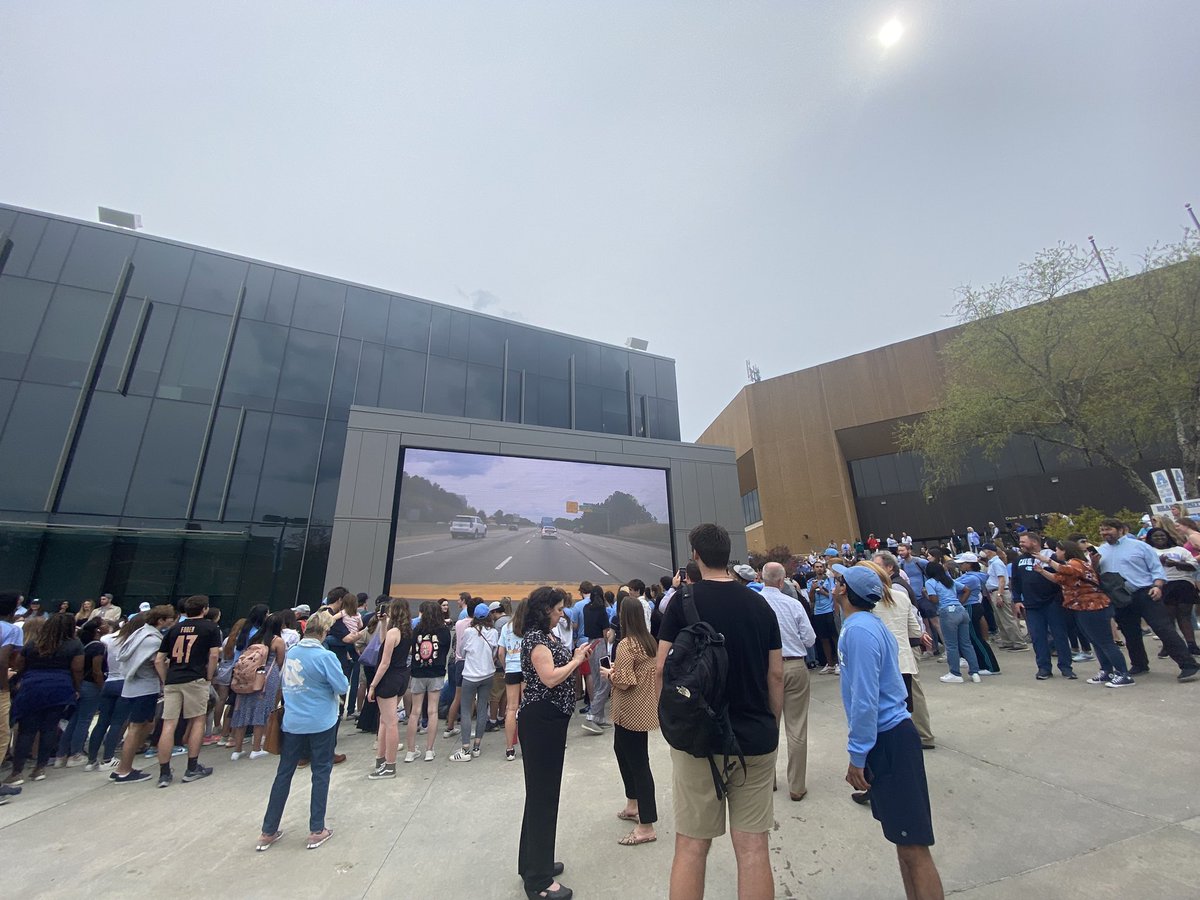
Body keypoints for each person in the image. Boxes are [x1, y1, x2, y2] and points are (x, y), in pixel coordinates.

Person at [656, 523, 783, 900]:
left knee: (692, 847)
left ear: (695, 555)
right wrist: (770, 722)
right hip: (754, 737)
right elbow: (775, 673)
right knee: (754, 850)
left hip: (698, 738)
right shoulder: (759, 603)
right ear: (728, 555)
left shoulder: (683, 601)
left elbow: (662, 668)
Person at [833, 563, 944, 900]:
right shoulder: (865, 624)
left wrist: (857, 755)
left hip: (889, 738)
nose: (833, 585)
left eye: (839, 581)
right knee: (902, 841)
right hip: (891, 735)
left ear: (847, 593)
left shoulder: (859, 632)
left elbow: (865, 700)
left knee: (913, 847)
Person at [518, 586, 590, 900]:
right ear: (546, 608)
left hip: (550, 721)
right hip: (540, 721)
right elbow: (549, 677)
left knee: (540, 796)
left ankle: (535, 863)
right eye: (559, 608)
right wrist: (575, 661)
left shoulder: (546, 635)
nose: (562, 613)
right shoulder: (536, 639)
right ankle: (539, 882)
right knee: (543, 797)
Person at [256, 610, 348, 852]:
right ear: (325, 632)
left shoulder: (292, 653)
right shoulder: (325, 657)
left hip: (294, 722)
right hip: (321, 721)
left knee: (284, 773)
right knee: (321, 772)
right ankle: (316, 829)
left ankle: (268, 830)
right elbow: (341, 685)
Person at [1096, 519, 1198, 682]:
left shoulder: (1140, 546)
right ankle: (1139, 664)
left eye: (1108, 529)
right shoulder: (1101, 551)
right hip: (1120, 597)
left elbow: (1156, 568)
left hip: (1145, 592)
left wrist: (1158, 586)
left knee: (1163, 629)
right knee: (1130, 633)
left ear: (1121, 529)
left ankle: (1188, 665)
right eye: (1102, 530)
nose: (1104, 533)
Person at [1033, 539, 1133, 687]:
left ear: (1065, 550)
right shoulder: (1072, 564)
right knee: (1096, 641)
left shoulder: (1076, 563)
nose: (1056, 553)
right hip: (1081, 607)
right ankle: (1106, 670)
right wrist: (1042, 571)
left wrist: (1047, 560)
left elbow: (1065, 571)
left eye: (1058, 550)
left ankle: (1123, 673)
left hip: (1093, 606)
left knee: (1105, 642)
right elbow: (1058, 579)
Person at [603, 594, 660, 846]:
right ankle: (633, 804)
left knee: (637, 763)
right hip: (643, 708)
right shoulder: (649, 641)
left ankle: (646, 824)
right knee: (626, 753)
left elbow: (625, 681)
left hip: (629, 710)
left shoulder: (626, 644)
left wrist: (610, 674)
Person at [4, 613, 83, 786]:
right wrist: (76, 689)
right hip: (60, 687)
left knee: (26, 730)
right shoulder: (75, 644)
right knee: (49, 728)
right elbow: (77, 669)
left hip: (32, 686)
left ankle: (17, 772)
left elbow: (20, 665)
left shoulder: (34, 643)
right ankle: (39, 768)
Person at [760, 561, 816, 802]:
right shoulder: (792, 604)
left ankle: (767, 780)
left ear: (761, 578)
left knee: (768, 724)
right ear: (782, 581)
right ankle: (796, 785)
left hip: (765, 667)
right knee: (796, 726)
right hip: (794, 664)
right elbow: (810, 639)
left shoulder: (755, 604)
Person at [154, 594, 222, 787]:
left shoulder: (174, 629)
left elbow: (159, 659)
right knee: (198, 719)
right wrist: (208, 677)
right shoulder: (210, 628)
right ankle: (192, 766)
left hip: (173, 678)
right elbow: (214, 655)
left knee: (169, 724)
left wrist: (166, 678)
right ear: (205, 609)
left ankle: (164, 772)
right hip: (196, 678)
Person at [872, 551, 935, 750]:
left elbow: (912, 624)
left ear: (889, 567)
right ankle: (922, 735)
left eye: (877, 566)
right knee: (911, 697)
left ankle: (920, 736)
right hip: (905, 652)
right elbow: (915, 624)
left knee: (908, 698)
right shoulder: (897, 590)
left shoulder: (893, 589)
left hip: (900, 651)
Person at [109, 606, 176, 784]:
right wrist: (166, 680)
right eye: (170, 618)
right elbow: (158, 662)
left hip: (131, 686)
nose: (172, 620)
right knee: (136, 728)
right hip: (145, 687)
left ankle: (123, 767)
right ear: (161, 620)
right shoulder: (153, 639)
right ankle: (124, 770)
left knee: (145, 724)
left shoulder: (138, 633)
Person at [1010, 532, 1076, 681]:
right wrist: (1017, 599)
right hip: (1032, 605)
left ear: (1034, 542)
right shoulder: (1018, 560)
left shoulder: (1050, 558)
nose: (1021, 544)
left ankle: (1066, 667)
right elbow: (1015, 581)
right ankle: (1044, 668)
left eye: (1023, 542)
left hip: (1053, 603)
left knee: (1060, 636)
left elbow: (1062, 576)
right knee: (1038, 637)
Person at [229, 614, 286, 761]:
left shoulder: (254, 638)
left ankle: (237, 749)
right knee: (262, 710)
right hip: (268, 676)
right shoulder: (277, 641)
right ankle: (256, 748)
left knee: (242, 709)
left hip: (247, 675)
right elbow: (280, 661)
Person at [366, 599, 413, 778]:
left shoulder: (395, 632)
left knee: (389, 722)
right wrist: (383, 623)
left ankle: (389, 764)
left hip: (389, 679)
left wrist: (373, 685)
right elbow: (385, 640)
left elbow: (384, 662)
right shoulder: (406, 631)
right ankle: (382, 759)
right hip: (401, 677)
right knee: (386, 721)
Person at [57, 617, 110, 767]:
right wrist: (102, 687)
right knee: (84, 719)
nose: (108, 626)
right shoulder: (98, 647)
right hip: (92, 685)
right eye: (104, 624)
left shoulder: (83, 645)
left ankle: (62, 754)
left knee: (75, 719)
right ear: (98, 630)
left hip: (81, 684)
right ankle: (76, 753)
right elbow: (97, 671)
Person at [451, 602, 499, 762]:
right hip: (487, 675)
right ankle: (477, 746)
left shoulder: (469, 631)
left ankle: (465, 748)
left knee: (466, 711)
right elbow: (494, 652)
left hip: (470, 675)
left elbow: (462, 651)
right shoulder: (493, 632)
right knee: (481, 708)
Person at [406, 600, 450, 763]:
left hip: (418, 672)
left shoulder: (416, 629)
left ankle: (410, 751)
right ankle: (429, 750)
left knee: (414, 712)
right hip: (436, 672)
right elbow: (445, 650)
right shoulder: (444, 631)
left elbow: (412, 649)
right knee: (432, 711)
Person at [1144, 526, 1200, 655]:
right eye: (1156, 536)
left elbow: (1194, 566)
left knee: (1184, 615)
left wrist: (1175, 563)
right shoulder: (1149, 551)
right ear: (1150, 539)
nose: (1159, 538)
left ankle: (1191, 645)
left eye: (1162, 535)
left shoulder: (1180, 550)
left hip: (1183, 584)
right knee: (1168, 617)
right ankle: (1170, 646)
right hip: (1163, 584)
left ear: (1168, 537)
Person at [923, 562, 980, 684]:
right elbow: (966, 589)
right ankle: (974, 672)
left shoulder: (930, 582)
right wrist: (960, 601)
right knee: (966, 643)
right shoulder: (949, 580)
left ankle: (955, 673)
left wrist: (925, 594)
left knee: (951, 645)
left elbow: (934, 599)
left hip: (947, 612)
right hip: (961, 610)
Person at [952, 554, 1000, 676]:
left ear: (970, 564)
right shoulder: (968, 576)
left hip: (971, 606)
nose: (960, 565)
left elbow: (953, 586)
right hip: (971, 606)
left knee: (976, 638)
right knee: (973, 638)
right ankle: (982, 665)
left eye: (963, 563)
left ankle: (991, 667)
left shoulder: (972, 578)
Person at [980, 543, 1027, 651]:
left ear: (989, 551)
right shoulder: (992, 563)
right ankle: (1008, 641)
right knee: (1000, 619)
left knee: (1007, 618)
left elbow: (1002, 579)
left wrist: (999, 595)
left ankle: (1018, 642)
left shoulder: (996, 563)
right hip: (993, 592)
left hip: (999, 591)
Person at [582, 584, 614, 735]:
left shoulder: (586, 608)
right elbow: (605, 631)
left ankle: (599, 717)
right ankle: (593, 715)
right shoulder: (602, 610)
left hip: (590, 644)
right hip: (601, 644)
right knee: (606, 680)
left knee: (596, 679)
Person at [498, 600, 526, 761]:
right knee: (525, 707)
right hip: (526, 669)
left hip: (511, 668)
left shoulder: (506, 627)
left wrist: (505, 665)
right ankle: (525, 744)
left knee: (511, 708)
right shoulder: (529, 627)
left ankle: (509, 748)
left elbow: (501, 652)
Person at [807, 559, 840, 673]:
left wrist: (822, 591)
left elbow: (832, 595)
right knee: (823, 639)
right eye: (817, 567)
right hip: (818, 612)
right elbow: (811, 599)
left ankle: (838, 662)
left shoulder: (830, 580)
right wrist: (812, 589)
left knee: (834, 637)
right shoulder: (811, 581)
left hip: (829, 611)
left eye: (821, 566)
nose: (819, 569)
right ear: (813, 569)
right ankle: (829, 663)